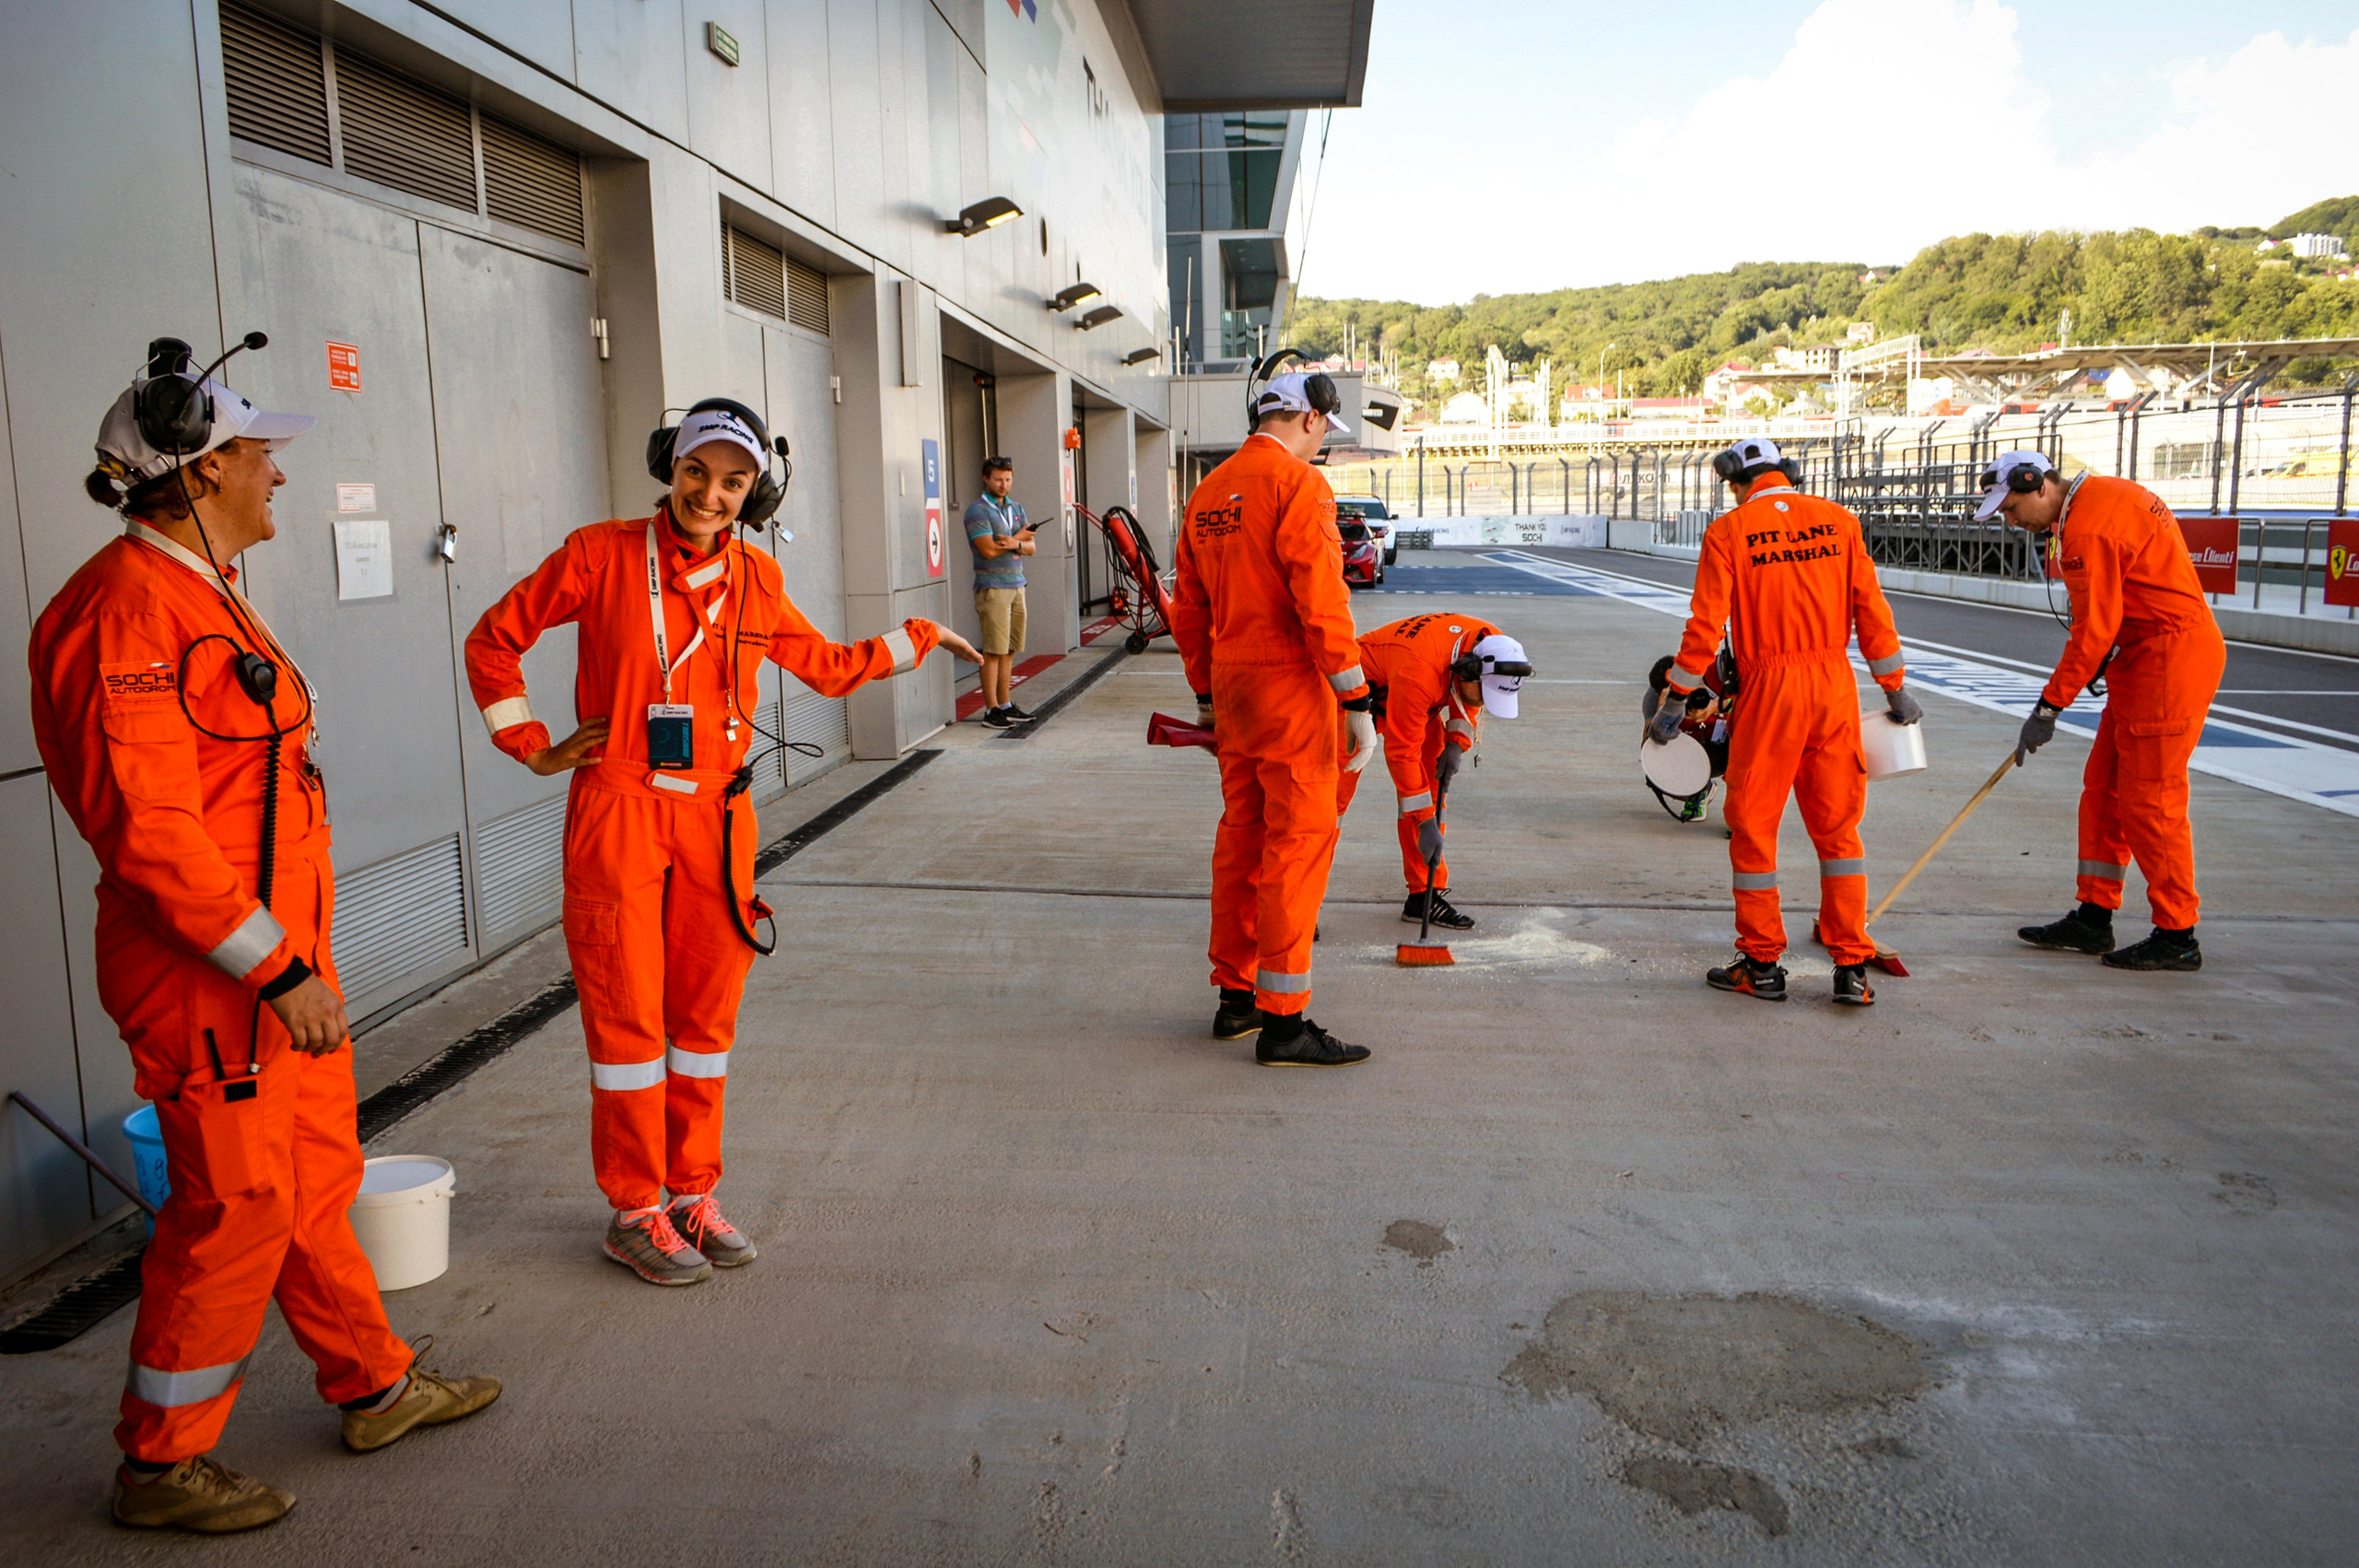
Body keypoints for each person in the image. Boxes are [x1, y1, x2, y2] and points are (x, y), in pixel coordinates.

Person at [32, 339, 498, 1534]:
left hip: (272, 965)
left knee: (312, 1182)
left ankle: (373, 1383)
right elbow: (151, 833)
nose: (278, 474)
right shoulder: (125, 613)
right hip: (216, 976)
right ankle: (160, 1463)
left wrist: (294, 963)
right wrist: (277, 966)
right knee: (234, 1204)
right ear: (199, 472)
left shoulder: (201, 591)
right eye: (258, 454)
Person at [465, 400, 980, 1283]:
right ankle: (635, 1210)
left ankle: (691, 1193)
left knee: (703, 1022)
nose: (709, 494)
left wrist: (920, 636)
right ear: (670, 466)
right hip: (620, 809)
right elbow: (493, 640)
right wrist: (533, 746)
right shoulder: (598, 555)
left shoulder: (757, 579)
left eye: (733, 483)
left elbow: (828, 667)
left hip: (719, 819)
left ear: (755, 496)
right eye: (696, 472)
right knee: (628, 1018)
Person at [1653, 436, 1922, 1006]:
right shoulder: (1839, 522)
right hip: (1833, 688)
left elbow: (1706, 624)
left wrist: (1677, 697)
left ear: (1735, 482)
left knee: (1753, 827)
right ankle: (1851, 967)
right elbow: (1873, 612)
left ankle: (1762, 964)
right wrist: (1895, 688)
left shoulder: (1729, 531)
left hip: (1771, 692)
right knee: (1839, 831)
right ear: (1787, 472)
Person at [1171, 371, 1378, 1067]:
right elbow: (1322, 600)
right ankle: (1285, 1024)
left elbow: (1189, 610)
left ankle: (1236, 999)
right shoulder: (1298, 485)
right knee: (1297, 844)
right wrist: (1356, 699)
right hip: (1290, 687)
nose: (1323, 444)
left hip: (1232, 687)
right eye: (1325, 431)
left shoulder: (1207, 493)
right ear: (1311, 418)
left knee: (1243, 840)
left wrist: (1206, 694)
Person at [1980, 449, 2226, 971]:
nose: (2012, 523)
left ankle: (2177, 933)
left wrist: (2048, 708)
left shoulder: (2087, 529)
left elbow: (2093, 631)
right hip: (2142, 655)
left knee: (2151, 800)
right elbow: (2121, 606)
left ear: (2038, 484)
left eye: (2011, 509)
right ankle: (2094, 916)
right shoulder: (2102, 497)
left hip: (2167, 659)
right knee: (2105, 788)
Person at [1333, 614, 1531, 930]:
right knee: (1327, 804)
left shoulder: (1493, 646)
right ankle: (1299, 903)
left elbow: (1470, 698)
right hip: (1354, 700)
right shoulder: (1421, 671)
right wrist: (1425, 823)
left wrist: (1456, 742)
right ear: (1466, 671)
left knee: (1431, 788)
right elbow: (1401, 753)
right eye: (1484, 693)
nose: (1484, 700)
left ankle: (1424, 895)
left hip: (1413, 695)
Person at [963, 455, 1040, 727]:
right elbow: (987, 550)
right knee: (993, 651)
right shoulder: (978, 511)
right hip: (993, 587)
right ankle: (991, 709)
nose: (1003, 484)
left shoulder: (1016, 508)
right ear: (986, 479)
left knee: (1009, 649)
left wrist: (1014, 543)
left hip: (1017, 584)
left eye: (1008, 479)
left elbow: (1032, 548)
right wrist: (1018, 539)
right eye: (998, 479)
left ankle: (1005, 704)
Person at [1641, 648, 1738, 823]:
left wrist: (1717, 706)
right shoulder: (1654, 697)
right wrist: (1661, 716)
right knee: (1655, 775)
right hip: (1702, 748)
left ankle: (1741, 813)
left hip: (1738, 740)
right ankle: (1699, 792)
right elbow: (1648, 752)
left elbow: (1755, 701)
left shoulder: (1718, 671)